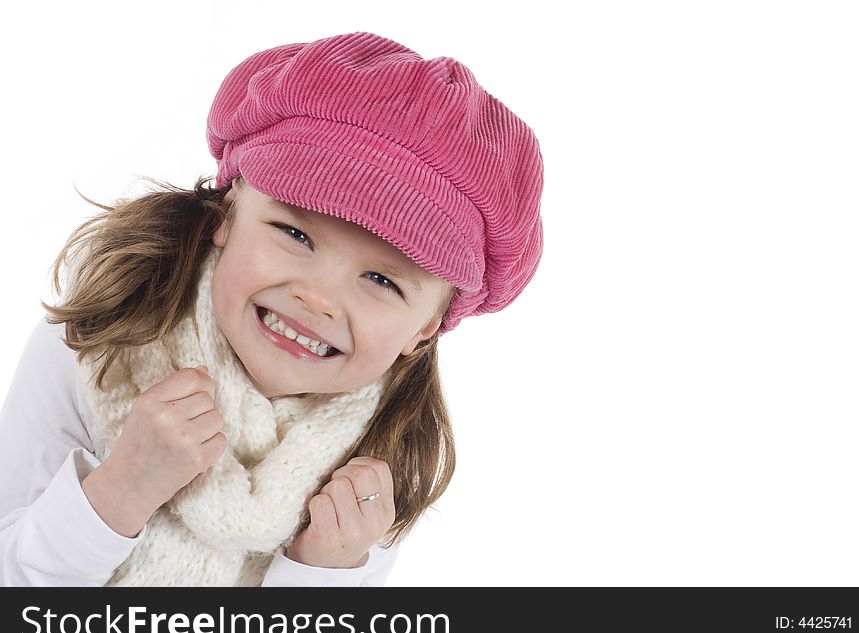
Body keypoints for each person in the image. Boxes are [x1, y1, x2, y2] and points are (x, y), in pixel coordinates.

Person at [0, 30, 543, 586]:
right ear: (226, 214)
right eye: (294, 233)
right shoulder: (96, 348)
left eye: (381, 279)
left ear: (426, 328)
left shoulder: (378, 460)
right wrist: (118, 491)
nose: (318, 297)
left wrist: (321, 572)